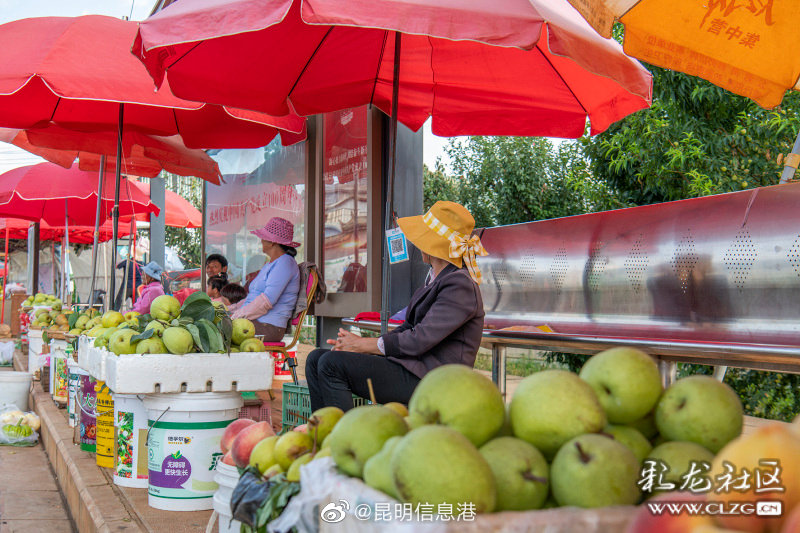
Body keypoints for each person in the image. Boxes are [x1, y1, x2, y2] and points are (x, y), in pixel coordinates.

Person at [305, 201, 487, 412]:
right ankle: (321, 434)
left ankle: (345, 440)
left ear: (433, 246)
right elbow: (408, 327)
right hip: (413, 369)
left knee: (331, 365)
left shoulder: (460, 284)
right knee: (315, 359)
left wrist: (365, 345)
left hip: (434, 380)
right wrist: (362, 344)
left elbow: (420, 338)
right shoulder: (435, 278)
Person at [229, 218, 301, 342]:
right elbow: (253, 297)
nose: (261, 240)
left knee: (217, 331)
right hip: (253, 322)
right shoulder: (270, 264)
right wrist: (232, 309)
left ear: (272, 242)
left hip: (269, 327)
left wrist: (237, 315)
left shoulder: (285, 263)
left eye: (264, 237)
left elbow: (267, 301)